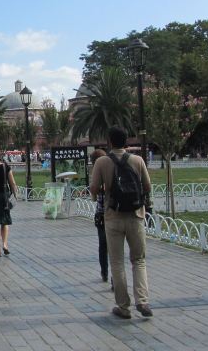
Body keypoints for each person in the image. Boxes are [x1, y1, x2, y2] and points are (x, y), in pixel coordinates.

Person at [90, 126, 153, 319]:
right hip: (135, 215)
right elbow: (147, 186)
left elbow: (93, 188)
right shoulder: (137, 160)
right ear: (126, 141)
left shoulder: (102, 162)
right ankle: (142, 301)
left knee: (117, 262)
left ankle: (123, 306)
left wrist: (100, 193)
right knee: (139, 260)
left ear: (109, 141)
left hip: (113, 216)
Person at [90, 148, 109, 283]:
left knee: (103, 245)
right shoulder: (113, 171)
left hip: (102, 215)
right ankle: (116, 277)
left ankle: (104, 272)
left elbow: (94, 197)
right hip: (116, 213)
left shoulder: (98, 175)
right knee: (115, 247)